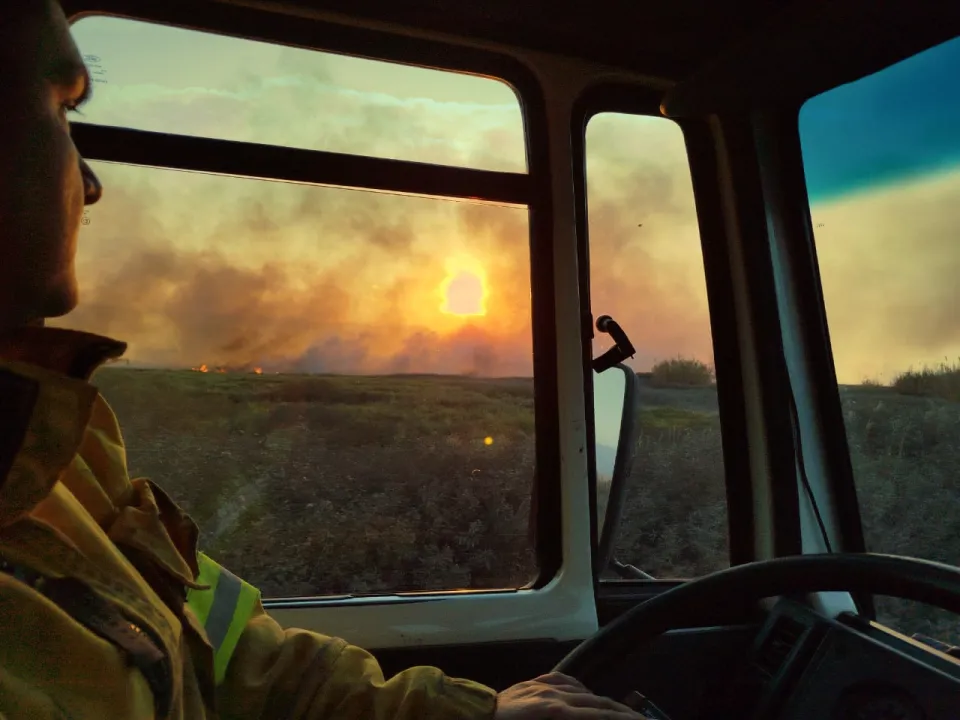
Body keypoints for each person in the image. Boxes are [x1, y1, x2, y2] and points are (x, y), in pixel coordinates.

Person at [0, 2, 649, 718]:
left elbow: (245, 665)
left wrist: (479, 716)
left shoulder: (58, 456)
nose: (90, 181)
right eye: (64, 112)